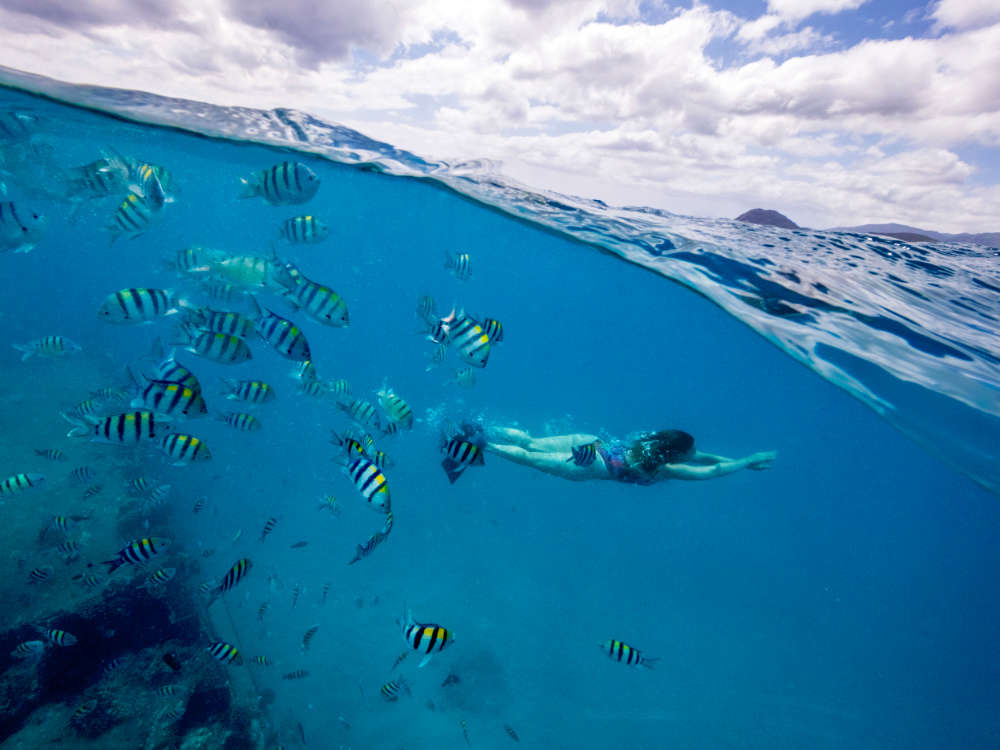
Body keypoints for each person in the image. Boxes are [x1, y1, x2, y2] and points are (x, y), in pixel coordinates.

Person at [482, 425, 775, 484]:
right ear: (676, 455)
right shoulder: (667, 468)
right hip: (591, 466)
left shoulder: (655, 442)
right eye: (689, 453)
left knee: (531, 443)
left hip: (591, 441)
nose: (694, 455)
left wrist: (743, 465)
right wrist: (748, 460)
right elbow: (710, 471)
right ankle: (484, 444)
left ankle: (484, 425)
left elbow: (705, 457)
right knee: (530, 458)